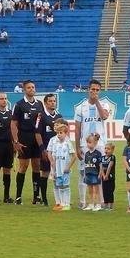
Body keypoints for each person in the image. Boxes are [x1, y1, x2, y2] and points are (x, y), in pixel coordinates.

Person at [73, 79, 109, 210]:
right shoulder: (80, 107)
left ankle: (100, 201)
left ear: (100, 91)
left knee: (99, 172)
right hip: (85, 145)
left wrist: (97, 101)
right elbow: (77, 128)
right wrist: (77, 147)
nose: (94, 92)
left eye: (97, 90)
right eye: (92, 89)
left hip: (100, 145)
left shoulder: (104, 104)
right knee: (84, 172)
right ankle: (84, 201)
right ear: (88, 90)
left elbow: (104, 116)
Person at [11, 80, 44, 205]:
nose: (32, 89)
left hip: (36, 139)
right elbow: (13, 124)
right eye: (29, 87)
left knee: (36, 166)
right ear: (24, 90)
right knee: (23, 166)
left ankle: (36, 196)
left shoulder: (39, 104)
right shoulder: (19, 104)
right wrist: (15, 141)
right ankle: (18, 196)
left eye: (33, 87)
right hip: (24, 138)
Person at [47, 117, 75, 211]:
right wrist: (52, 163)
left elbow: (73, 156)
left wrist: (68, 166)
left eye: (60, 132)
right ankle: (59, 203)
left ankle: (66, 203)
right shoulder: (54, 141)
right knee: (57, 185)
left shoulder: (67, 142)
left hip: (64, 168)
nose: (58, 134)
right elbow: (50, 153)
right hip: (56, 167)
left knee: (65, 185)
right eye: (57, 132)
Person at [82, 134, 104, 211]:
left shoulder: (98, 153)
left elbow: (101, 164)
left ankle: (98, 204)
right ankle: (91, 204)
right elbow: (85, 164)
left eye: (90, 142)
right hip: (88, 173)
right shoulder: (87, 154)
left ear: (95, 143)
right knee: (90, 190)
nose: (88, 144)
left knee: (96, 190)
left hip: (95, 174)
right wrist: (85, 174)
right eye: (87, 142)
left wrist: (100, 173)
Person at [101, 143, 116, 210]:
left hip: (110, 177)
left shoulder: (112, 157)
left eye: (108, 149)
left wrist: (106, 175)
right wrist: (103, 175)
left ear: (112, 150)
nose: (106, 150)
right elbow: (101, 167)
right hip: (103, 178)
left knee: (110, 191)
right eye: (105, 148)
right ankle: (106, 204)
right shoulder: (102, 158)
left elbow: (109, 166)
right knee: (104, 191)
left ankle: (111, 205)